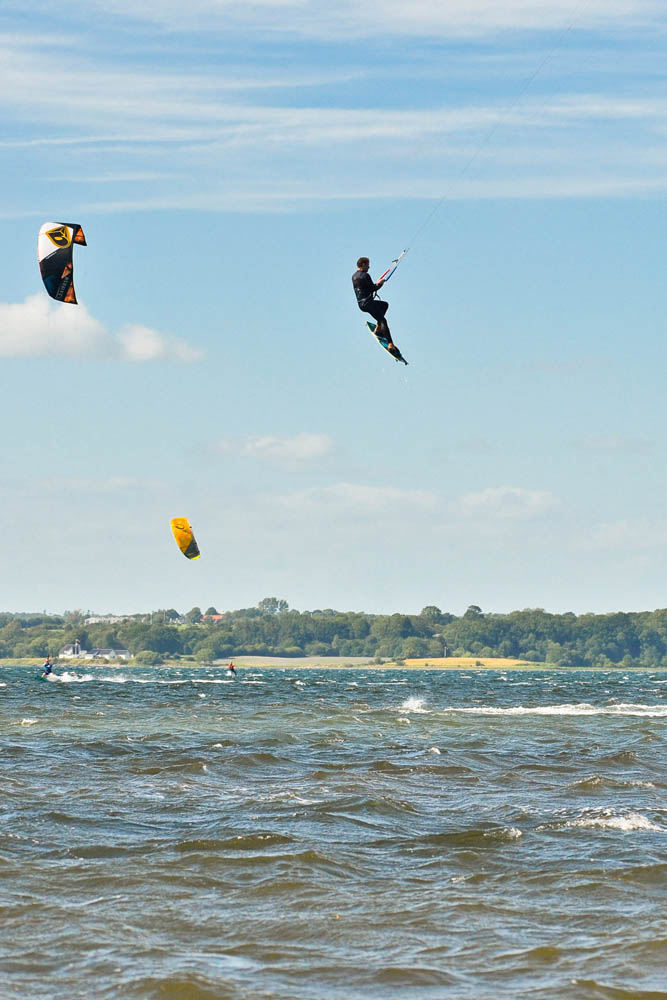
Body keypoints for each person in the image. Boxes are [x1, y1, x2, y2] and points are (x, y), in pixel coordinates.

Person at [351, 257, 394, 345]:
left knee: (384, 305)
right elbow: (373, 288)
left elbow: (366, 288)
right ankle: (390, 344)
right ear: (363, 264)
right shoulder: (365, 275)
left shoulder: (354, 276)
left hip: (361, 304)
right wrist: (381, 283)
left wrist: (376, 284)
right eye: (368, 265)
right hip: (368, 303)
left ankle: (378, 328)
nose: (369, 267)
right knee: (383, 320)